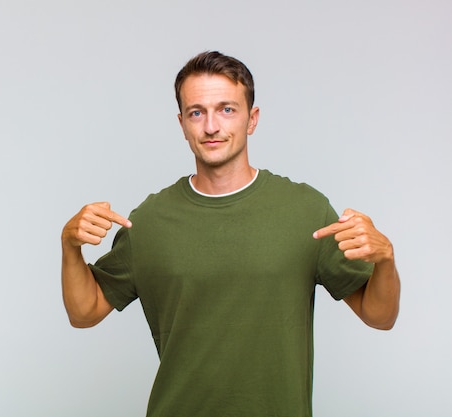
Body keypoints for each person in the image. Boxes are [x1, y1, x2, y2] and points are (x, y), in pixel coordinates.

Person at [61, 51, 400, 417]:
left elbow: (379, 316)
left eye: (226, 109)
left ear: (251, 119)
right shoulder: (150, 221)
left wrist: (385, 260)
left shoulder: (306, 211)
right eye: (196, 112)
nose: (211, 126)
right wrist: (69, 247)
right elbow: (84, 313)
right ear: (182, 124)